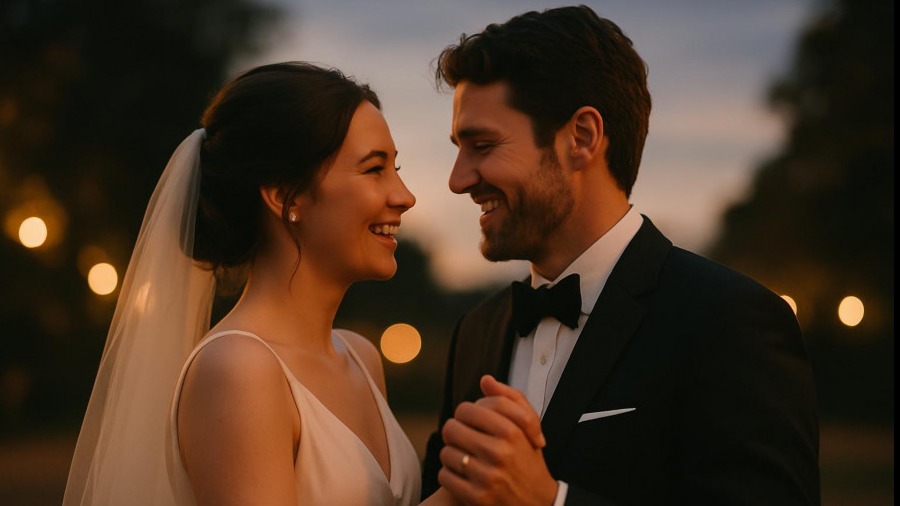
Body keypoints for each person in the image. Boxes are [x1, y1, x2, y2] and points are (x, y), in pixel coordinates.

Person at [421, 6, 821, 505]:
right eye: (458, 149)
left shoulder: (730, 320)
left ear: (582, 137)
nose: (457, 180)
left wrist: (550, 501)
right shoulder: (476, 332)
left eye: (482, 145)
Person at [63, 61, 470, 506]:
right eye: (375, 169)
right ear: (283, 196)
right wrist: (465, 494)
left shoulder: (362, 357)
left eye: (396, 167)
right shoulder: (237, 369)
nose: (405, 196)